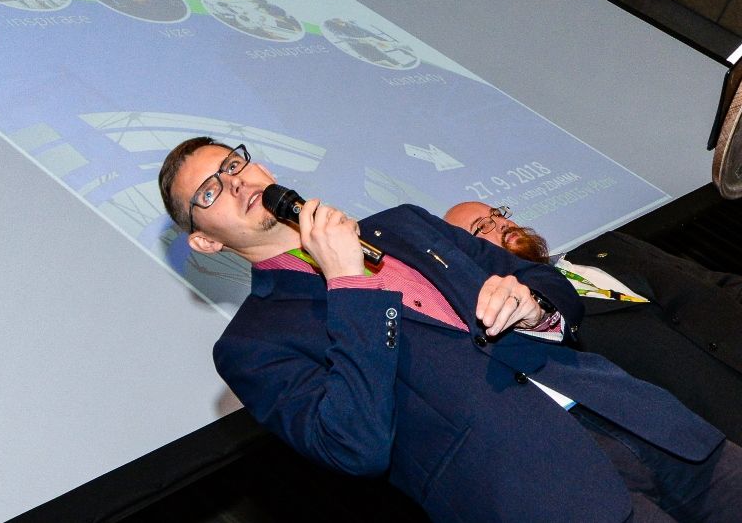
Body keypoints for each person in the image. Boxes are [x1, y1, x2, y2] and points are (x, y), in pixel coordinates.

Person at [158, 137, 742, 522]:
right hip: (540, 498)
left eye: (233, 164)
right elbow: (352, 444)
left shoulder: (404, 224)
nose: (235, 183)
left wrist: (535, 306)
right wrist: (348, 283)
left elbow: (545, 278)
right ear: (205, 241)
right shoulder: (252, 345)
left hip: (649, 425)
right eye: (210, 191)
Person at [444, 201, 742, 445]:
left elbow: (715, 283)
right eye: (482, 226)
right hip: (714, 427)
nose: (501, 223)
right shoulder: (532, 326)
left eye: (497, 213)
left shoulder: (611, 245)